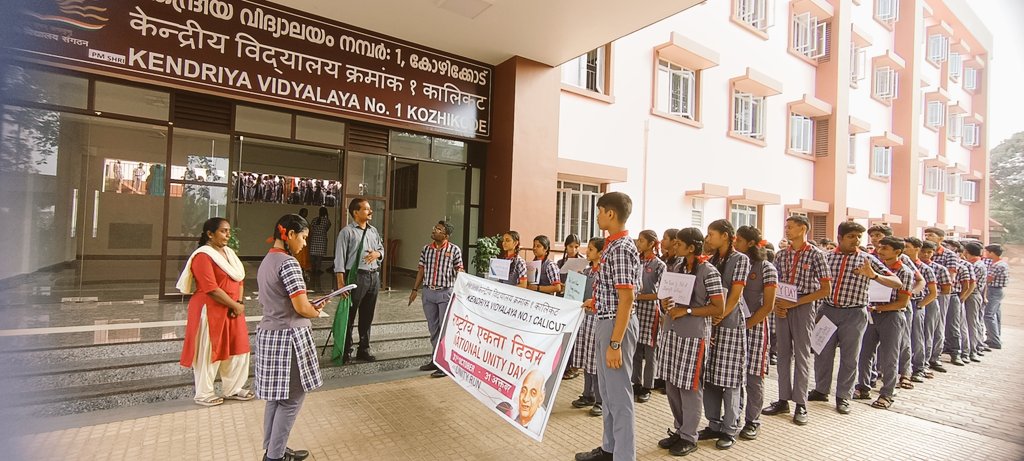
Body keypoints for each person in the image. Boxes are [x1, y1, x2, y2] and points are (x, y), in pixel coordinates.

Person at [807, 222, 901, 415]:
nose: (856, 240)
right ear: (840, 238)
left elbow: (896, 282)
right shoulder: (826, 258)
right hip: (828, 311)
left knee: (850, 356)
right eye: (851, 236)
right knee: (822, 352)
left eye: (859, 237)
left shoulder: (868, 260)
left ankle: (843, 396)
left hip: (855, 313)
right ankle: (821, 389)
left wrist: (873, 275)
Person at [254, 214, 327, 461]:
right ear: (291, 235)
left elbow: (284, 299)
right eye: (304, 238)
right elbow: (300, 308)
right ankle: (274, 457)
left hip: (270, 333)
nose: (304, 244)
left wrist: (308, 304)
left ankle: (273, 449)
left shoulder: (267, 261)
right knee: (292, 398)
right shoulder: (289, 263)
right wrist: (315, 310)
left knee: (276, 398)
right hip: (289, 337)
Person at [575, 192, 641, 461]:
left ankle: (624, 456)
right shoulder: (612, 246)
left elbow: (627, 298)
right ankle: (610, 448)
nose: (598, 215)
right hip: (608, 320)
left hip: (617, 328)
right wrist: (597, 301)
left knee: (620, 396)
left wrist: (615, 343)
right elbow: (615, 293)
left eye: (600, 211)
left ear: (610, 214)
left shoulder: (622, 248)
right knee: (608, 392)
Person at [654, 228, 725, 457]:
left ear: (691, 247)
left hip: (693, 336)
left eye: (679, 243)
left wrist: (689, 310)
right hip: (672, 333)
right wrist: (665, 304)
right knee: (672, 385)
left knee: (690, 387)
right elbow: (667, 296)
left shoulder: (709, 272)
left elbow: (718, 307)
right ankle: (680, 428)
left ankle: (689, 436)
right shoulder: (676, 267)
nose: (674, 246)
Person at [762, 215, 831, 426]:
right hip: (783, 306)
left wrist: (798, 302)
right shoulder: (781, 255)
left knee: (802, 354)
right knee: (783, 353)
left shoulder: (816, 255)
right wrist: (777, 305)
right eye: (786, 226)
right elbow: (774, 284)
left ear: (803, 229)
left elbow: (825, 289)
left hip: (804, 307)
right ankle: (783, 398)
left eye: (791, 227)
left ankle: (801, 402)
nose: (787, 230)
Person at [176, 217, 252, 407]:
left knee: (238, 348)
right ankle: (204, 393)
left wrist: (238, 303)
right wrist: (235, 306)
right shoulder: (202, 256)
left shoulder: (229, 254)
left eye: (228, 231)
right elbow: (211, 288)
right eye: (223, 231)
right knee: (209, 350)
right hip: (210, 309)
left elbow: (240, 279)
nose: (228, 235)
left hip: (233, 308)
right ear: (210, 234)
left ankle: (233, 388)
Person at [699, 220, 750, 450]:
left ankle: (730, 428)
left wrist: (720, 314)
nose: (707, 239)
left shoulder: (741, 260)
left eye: (711, 235)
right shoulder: (711, 260)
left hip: (729, 325)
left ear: (726, 236)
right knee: (709, 376)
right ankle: (713, 423)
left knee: (730, 379)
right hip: (711, 324)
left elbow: (736, 294)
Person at [853, 236, 914, 410]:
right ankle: (863, 386)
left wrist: (880, 308)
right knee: (865, 352)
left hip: (892, 316)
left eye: (885, 248)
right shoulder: (873, 268)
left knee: (889, 356)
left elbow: (903, 302)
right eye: (880, 247)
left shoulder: (905, 272)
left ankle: (887, 393)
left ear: (897, 251)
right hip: (871, 314)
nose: (880, 251)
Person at [733, 226, 777, 441]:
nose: (734, 244)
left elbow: (768, 306)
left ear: (750, 243)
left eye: (739, 240)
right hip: (733, 327)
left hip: (755, 327)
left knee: (753, 376)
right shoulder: (733, 264)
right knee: (733, 375)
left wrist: (748, 324)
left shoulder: (766, 267)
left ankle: (752, 421)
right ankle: (733, 417)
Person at [408, 221, 464, 378]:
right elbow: (421, 270)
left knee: (444, 329)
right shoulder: (426, 249)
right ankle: (435, 359)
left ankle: (444, 364)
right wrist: (414, 290)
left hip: (445, 293)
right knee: (433, 329)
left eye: (438, 229)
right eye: (435, 228)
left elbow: (460, 271)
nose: (434, 230)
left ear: (446, 235)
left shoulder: (454, 250)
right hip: (428, 293)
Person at [334, 198, 385, 362]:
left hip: (373, 276)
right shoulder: (346, 232)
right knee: (350, 314)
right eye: (366, 209)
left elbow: (381, 249)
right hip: (356, 276)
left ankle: (364, 349)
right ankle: (346, 349)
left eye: (370, 209)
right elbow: (340, 258)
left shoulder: (373, 231)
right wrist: (341, 283)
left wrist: (377, 254)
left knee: (367, 315)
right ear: (356, 212)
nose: (370, 211)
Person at [571, 238, 606, 416]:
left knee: (596, 361)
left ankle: (600, 399)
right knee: (586, 358)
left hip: (597, 318)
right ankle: (588, 394)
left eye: (591, 249)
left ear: (601, 252)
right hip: (585, 316)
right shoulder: (586, 271)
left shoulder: (604, 272)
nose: (587, 252)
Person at [632, 230, 665, 404]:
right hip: (635, 308)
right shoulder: (636, 260)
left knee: (650, 350)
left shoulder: (659, 265)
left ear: (652, 243)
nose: (638, 243)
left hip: (651, 310)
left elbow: (661, 293)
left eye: (642, 240)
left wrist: (639, 296)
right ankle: (636, 382)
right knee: (636, 348)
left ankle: (648, 386)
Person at [903, 238, 938, 383]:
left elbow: (933, 292)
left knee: (916, 336)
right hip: (901, 304)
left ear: (917, 249)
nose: (904, 249)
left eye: (908, 247)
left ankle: (919, 367)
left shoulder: (925, 269)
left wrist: (920, 305)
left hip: (915, 303)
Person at [919, 241, 951, 373]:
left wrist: (930, 298)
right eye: (923, 251)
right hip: (916, 300)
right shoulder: (914, 267)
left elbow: (946, 288)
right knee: (917, 333)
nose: (926, 254)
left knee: (930, 331)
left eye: (929, 252)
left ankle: (929, 359)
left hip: (931, 300)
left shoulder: (939, 269)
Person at [942, 239, 973, 366]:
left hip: (953, 295)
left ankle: (957, 353)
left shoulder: (962, 267)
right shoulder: (939, 265)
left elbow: (968, 285)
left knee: (954, 326)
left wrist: (961, 298)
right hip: (940, 295)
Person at [560, 234, 586, 379]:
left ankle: (573, 366)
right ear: (566, 246)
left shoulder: (583, 262)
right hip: (564, 301)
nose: (573, 250)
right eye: (571, 246)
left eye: (576, 247)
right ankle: (563, 364)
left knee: (575, 336)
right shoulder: (560, 262)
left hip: (577, 301)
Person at [961, 242, 987, 361]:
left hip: (971, 295)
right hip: (974, 294)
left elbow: (972, 284)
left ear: (967, 251)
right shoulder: (979, 263)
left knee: (970, 323)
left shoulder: (975, 265)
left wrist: (963, 297)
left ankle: (972, 349)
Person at [983, 244, 1009, 349]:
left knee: (988, 315)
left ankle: (994, 340)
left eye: (987, 252)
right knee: (995, 315)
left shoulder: (997, 265)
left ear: (992, 253)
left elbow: (989, 279)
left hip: (994, 290)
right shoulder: (1001, 263)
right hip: (997, 291)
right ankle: (994, 337)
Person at [515, 369, 549, 433]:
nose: (525, 399)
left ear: (541, 399)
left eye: (533, 393)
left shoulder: (541, 424)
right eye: (523, 391)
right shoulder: (511, 413)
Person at [308, 207, 332, 275]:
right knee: (319, 257)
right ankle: (317, 269)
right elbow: (327, 228)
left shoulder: (314, 220)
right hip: (322, 239)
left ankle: (313, 269)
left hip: (314, 238)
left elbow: (311, 229)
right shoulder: (327, 221)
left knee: (313, 255)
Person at [295, 208, 311, 276]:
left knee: (304, 255)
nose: (306, 214)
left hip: (305, 241)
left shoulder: (304, 221)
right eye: (305, 212)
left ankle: (303, 267)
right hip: (299, 241)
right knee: (299, 255)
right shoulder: (298, 220)